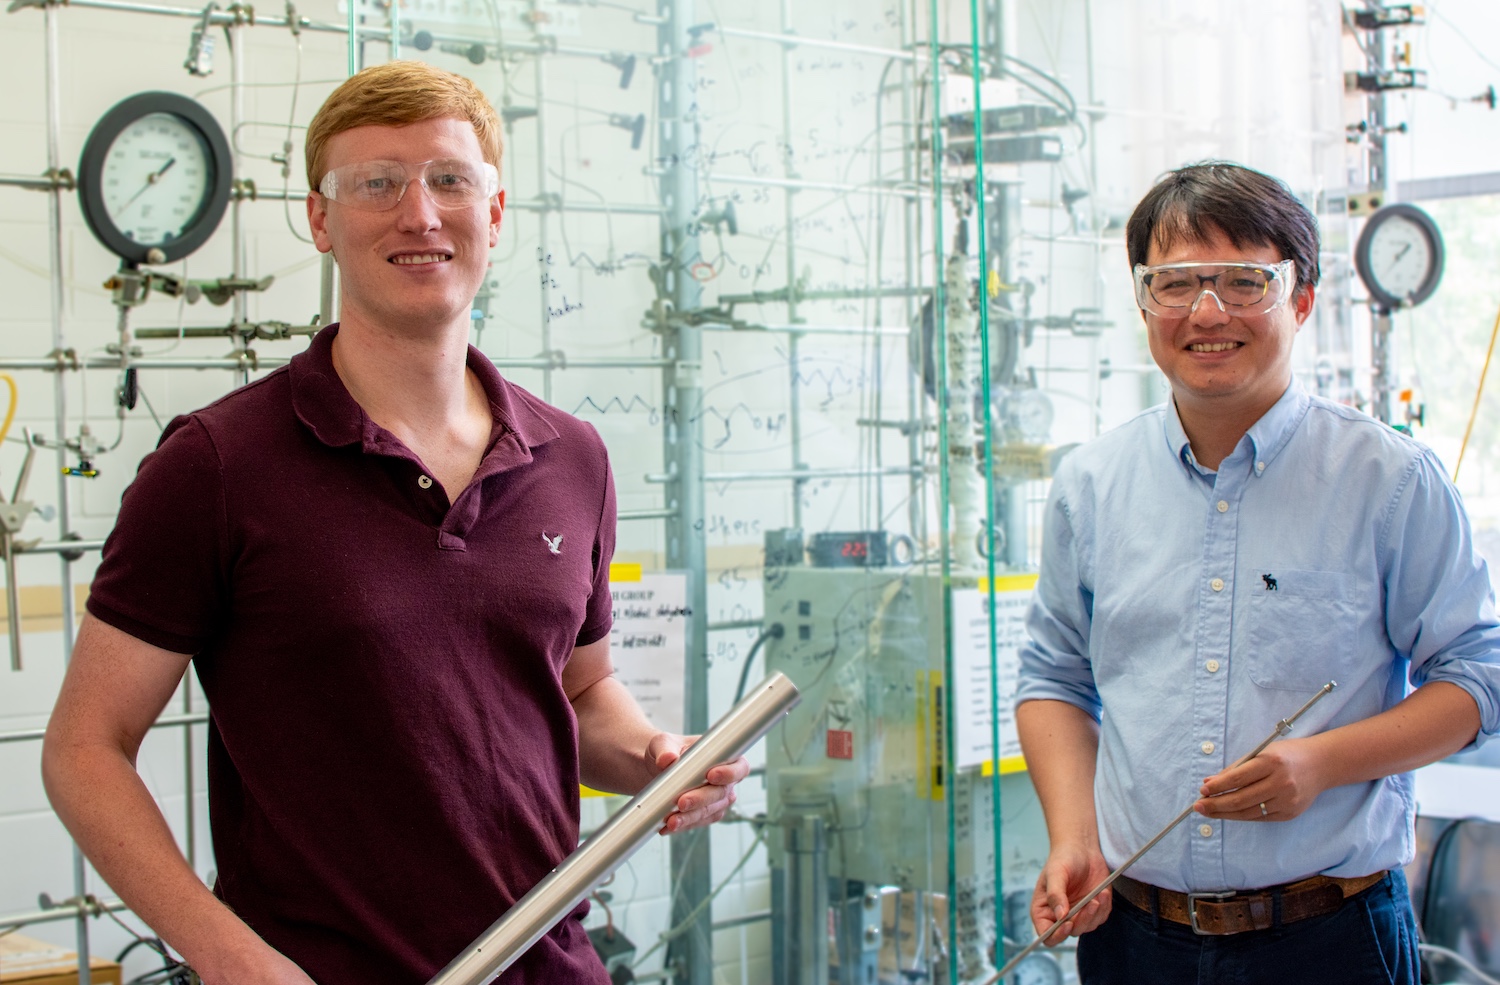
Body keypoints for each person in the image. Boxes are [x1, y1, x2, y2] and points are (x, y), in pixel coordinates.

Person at [41, 60, 747, 985]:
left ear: (493, 212)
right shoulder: (218, 465)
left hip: (553, 965)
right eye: (377, 183)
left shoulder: (571, 456)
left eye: (450, 180)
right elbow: (85, 749)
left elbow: (578, 699)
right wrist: (226, 954)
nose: (420, 214)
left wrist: (655, 755)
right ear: (320, 219)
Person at [1016, 161, 1500, 985]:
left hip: (1329, 936)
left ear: (1301, 299)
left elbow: (1479, 679)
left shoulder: (1389, 481)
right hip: (1134, 938)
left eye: (1245, 282)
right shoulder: (1091, 485)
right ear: (1144, 304)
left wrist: (1323, 761)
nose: (1208, 312)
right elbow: (1054, 678)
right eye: (1175, 284)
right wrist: (1073, 835)